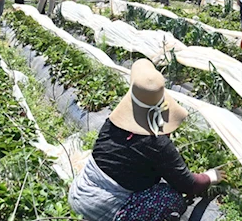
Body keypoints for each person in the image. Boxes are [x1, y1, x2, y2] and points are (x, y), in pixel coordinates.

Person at [69, 59, 225, 221]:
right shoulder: (156, 143)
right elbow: (189, 185)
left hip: (78, 192)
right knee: (169, 197)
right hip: (100, 208)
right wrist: (210, 177)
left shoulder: (113, 123)